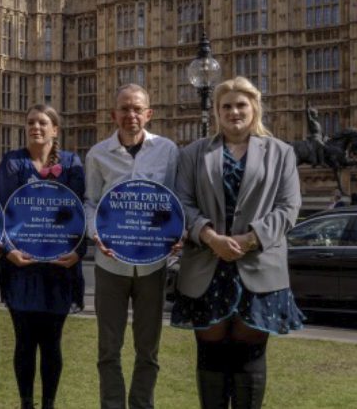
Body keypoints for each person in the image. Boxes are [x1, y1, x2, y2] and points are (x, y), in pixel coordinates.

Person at [172, 76, 303, 408]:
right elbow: (181, 203)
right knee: (211, 358)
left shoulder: (281, 152)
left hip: (258, 264)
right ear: (217, 111)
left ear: (254, 107)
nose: (234, 111)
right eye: (226, 105)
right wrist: (210, 236)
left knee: (250, 358)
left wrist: (251, 238)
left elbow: (289, 207)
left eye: (241, 104)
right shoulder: (193, 153)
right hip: (206, 263)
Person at [84, 83, 179, 409]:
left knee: (148, 349)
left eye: (137, 109)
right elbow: (91, 204)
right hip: (110, 264)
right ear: (114, 114)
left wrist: (175, 237)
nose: (131, 115)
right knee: (108, 348)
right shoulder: (97, 154)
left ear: (148, 114)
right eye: (124, 108)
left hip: (152, 264)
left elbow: (174, 205)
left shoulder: (167, 151)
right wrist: (97, 235)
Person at [0, 105, 86, 409]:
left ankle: (48, 403)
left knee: (52, 343)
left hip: (59, 268)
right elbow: (1, 210)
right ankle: (26, 403)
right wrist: (9, 252)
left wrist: (78, 253)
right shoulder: (12, 162)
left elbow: (81, 214)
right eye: (31, 121)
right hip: (22, 268)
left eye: (43, 122)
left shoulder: (72, 163)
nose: (36, 126)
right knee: (24, 341)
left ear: (55, 130)